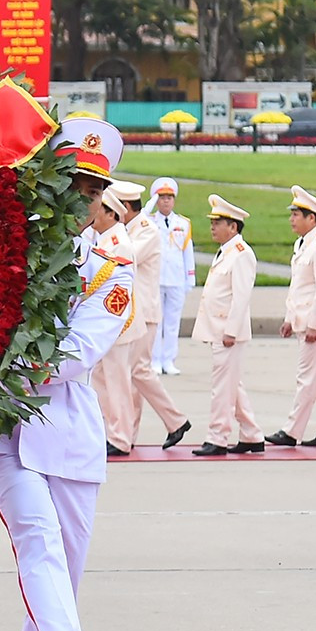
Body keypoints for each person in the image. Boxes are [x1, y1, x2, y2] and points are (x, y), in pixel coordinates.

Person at [0, 115, 131, 631]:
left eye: (92, 189)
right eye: (69, 183)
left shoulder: (111, 277)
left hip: (65, 439)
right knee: (37, 543)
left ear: (103, 201)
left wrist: (0, 364)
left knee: (55, 589)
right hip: (5, 433)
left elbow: (72, 356)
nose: (80, 200)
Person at [270, 186, 316, 449]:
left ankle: (292, 431)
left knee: (307, 378)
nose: (291, 219)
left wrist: (315, 325)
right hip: (305, 320)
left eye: (296, 215)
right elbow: (299, 286)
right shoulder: (303, 243)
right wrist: (290, 318)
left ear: (311, 218)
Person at [120, 185, 189, 451]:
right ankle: (129, 433)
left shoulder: (147, 229)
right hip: (135, 312)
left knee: (139, 371)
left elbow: (128, 257)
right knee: (134, 375)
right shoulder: (132, 229)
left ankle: (176, 420)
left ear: (127, 208)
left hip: (145, 312)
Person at [191, 194, 261, 456]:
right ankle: (252, 435)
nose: (212, 226)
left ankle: (217, 437)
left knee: (222, 388)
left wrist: (231, 331)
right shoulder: (227, 252)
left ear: (233, 227)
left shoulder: (241, 254)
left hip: (227, 333)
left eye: (218, 222)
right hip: (220, 330)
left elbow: (241, 297)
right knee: (232, 385)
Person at [89, 182, 148, 456]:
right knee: (103, 382)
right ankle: (110, 432)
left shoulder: (119, 244)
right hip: (103, 326)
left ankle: (121, 437)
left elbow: (118, 292)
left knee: (117, 383)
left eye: (99, 209)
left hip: (116, 325)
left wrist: (108, 326)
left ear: (111, 214)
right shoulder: (102, 239)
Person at [146, 178, 196, 375]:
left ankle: (169, 359)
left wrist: (189, 278)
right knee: (156, 322)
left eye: (169, 197)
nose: (166, 201)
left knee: (173, 322)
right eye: (162, 198)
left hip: (176, 278)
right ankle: (155, 359)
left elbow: (187, 252)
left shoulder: (183, 223)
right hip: (156, 278)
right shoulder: (149, 221)